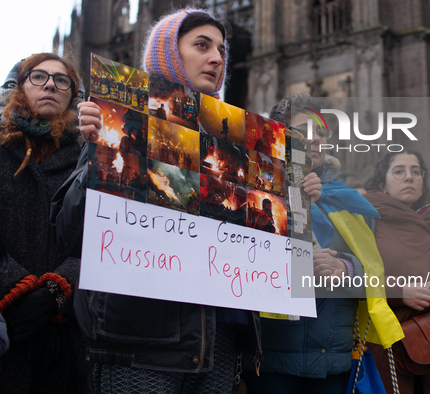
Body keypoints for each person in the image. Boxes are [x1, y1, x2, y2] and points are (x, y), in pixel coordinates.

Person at [51, 8, 290, 394]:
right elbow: (68, 231)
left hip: (219, 340)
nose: (217, 58)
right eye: (201, 45)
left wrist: (292, 200)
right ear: (168, 52)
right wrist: (98, 155)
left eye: (222, 50)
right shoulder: (122, 121)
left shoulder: (241, 148)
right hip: (142, 340)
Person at [240, 94, 395, 394]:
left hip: (332, 360)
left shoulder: (346, 200)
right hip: (272, 356)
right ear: (280, 136)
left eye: (320, 133)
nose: (314, 140)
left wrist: (344, 267)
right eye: (303, 131)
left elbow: (374, 276)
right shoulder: (253, 190)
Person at [0, 53, 90, 393]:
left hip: (65, 335)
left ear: (73, 96)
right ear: (18, 87)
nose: (51, 83)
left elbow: (98, 239)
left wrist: (56, 291)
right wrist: (16, 291)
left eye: (62, 80)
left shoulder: (89, 160)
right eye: (38, 76)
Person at [363, 151, 430, 394]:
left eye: (416, 172)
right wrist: (400, 292)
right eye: (399, 171)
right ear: (381, 183)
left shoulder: (427, 226)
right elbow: (350, 277)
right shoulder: (365, 219)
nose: (409, 177)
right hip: (387, 346)